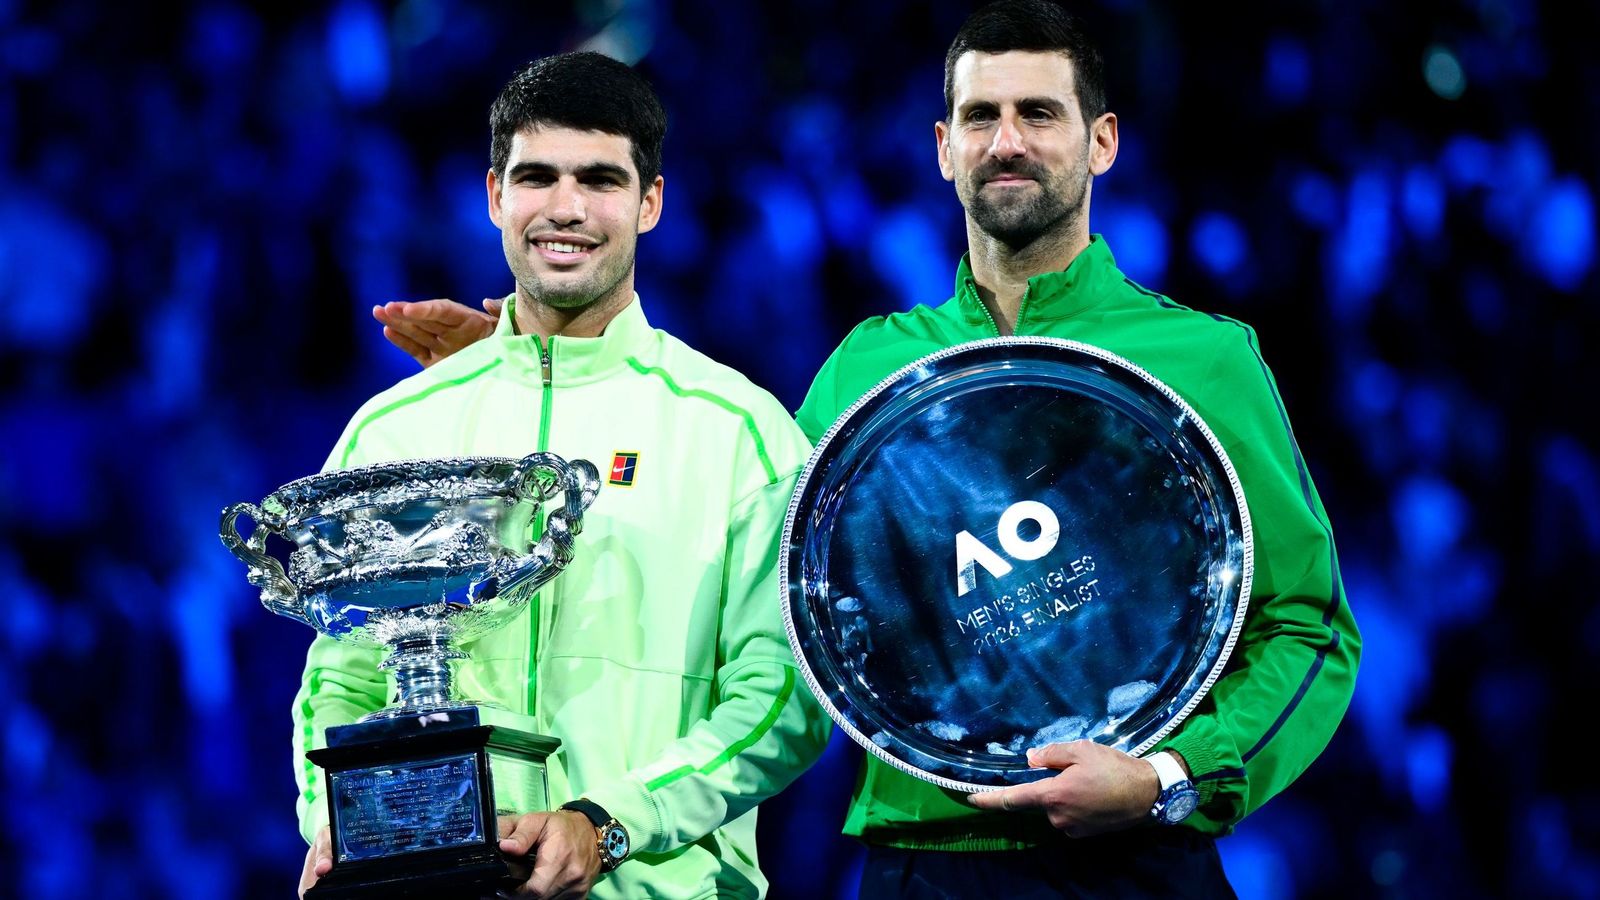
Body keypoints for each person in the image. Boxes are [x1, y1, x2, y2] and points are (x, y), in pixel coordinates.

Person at [378, 3, 1360, 896]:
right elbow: (732, 544)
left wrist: (1165, 780)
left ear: (1100, 141)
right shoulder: (868, 369)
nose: (1006, 142)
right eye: (979, 117)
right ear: (942, 148)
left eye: (1038, 115)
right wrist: (539, 373)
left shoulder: (1202, 359)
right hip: (917, 865)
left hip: (1139, 861)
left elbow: (1308, 633)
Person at [294, 51, 829, 900]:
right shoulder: (394, 429)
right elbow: (346, 673)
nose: (567, 208)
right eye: (537, 176)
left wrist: (607, 822)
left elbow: (779, 703)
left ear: (650, 203)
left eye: (601, 179)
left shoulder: (739, 431)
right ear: (495, 195)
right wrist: (341, 820)